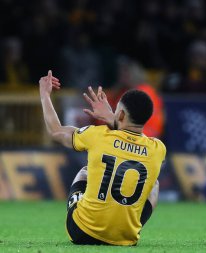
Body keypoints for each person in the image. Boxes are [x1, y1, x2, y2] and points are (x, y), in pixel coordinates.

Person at [39, 70, 166, 246]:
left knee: (84, 173)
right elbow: (133, 139)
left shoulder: (98, 135)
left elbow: (56, 131)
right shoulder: (158, 149)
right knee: (155, 185)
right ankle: (128, 227)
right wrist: (113, 120)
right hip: (124, 239)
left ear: (120, 115)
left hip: (82, 232)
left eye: (116, 111)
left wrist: (45, 94)